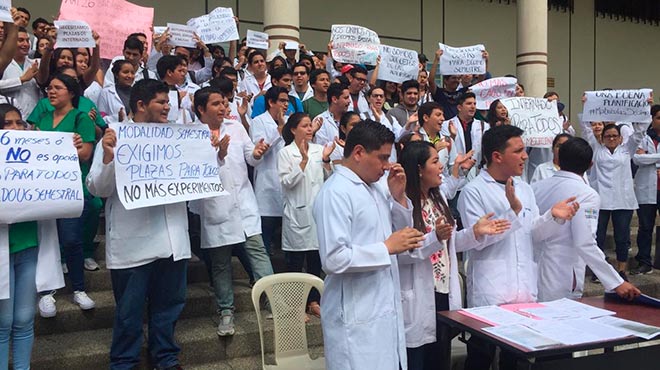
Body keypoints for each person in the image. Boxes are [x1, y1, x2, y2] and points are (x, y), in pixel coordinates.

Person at [87, 79, 190, 369]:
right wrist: (108, 158)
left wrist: (212, 157)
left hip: (172, 241)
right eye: (161, 102)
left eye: (169, 102)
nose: (168, 107)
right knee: (129, 313)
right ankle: (124, 362)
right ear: (141, 105)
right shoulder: (115, 136)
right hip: (134, 243)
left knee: (169, 308)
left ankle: (166, 359)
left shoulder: (178, 137)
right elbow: (97, 188)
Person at [457, 125, 579, 370]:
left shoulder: (524, 188)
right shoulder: (473, 191)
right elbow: (478, 240)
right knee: (481, 358)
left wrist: (552, 217)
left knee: (515, 360)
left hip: (523, 287)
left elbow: (532, 233)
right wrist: (512, 211)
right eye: (519, 151)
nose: (525, 156)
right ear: (497, 156)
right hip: (491, 290)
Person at [313, 120, 426, 370]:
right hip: (355, 316)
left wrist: (398, 198)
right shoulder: (336, 193)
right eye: (382, 158)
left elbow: (398, 235)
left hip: (383, 304)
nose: (387, 166)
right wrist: (385, 249)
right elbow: (333, 259)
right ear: (358, 152)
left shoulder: (375, 188)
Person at [398, 141, 510, 370]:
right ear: (419, 169)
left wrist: (474, 232)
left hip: (442, 291)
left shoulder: (437, 200)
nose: (441, 167)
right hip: (419, 293)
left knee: (439, 358)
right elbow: (405, 252)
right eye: (435, 161)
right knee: (418, 359)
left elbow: (449, 244)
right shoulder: (403, 205)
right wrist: (435, 238)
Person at [191, 87, 273, 337]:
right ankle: (226, 311)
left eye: (224, 102)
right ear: (201, 109)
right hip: (215, 207)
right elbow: (192, 173)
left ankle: (273, 301)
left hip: (244, 203)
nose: (222, 107)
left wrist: (257, 153)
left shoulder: (236, 128)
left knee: (259, 253)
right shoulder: (192, 135)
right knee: (220, 264)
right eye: (216, 103)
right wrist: (218, 155)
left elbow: (249, 156)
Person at [532, 137, 641, 302]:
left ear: (558, 159)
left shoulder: (535, 188)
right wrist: (616, 282)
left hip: (532, 271)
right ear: (591, 164)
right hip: (562, 274)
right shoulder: (587, 195)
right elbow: (585, 242)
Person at [0, 103, 65, 370]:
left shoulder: (35, 156)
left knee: (25, 318)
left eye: (19, 123)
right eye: (8, 124)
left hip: (30, 247)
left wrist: (65, 149)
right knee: (3, 323)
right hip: (4, 251)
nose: (15, 129)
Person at [32, 73, 96, 316]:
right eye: (49, 88)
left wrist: (64, 147)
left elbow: (86, 154)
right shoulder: (43, 116)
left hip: (71, 190)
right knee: (47, 242)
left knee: (71, 240)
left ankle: (78, 289)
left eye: (57, 88)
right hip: (44, 190)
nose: (51, 91)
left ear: (71, 93)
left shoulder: (81, 118)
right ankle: (47, 293)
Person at [278, 112, 334, 318]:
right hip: (297, 213)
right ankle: (295, 305)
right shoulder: (285, 153)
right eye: (304, 126)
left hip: (317, 214)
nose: (310, 129)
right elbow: (286, 182)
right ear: (293, 130)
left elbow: (329, 178)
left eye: (311, 125)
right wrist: (302, 161)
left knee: (315, 261)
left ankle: (313, 301)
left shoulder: (320, 150)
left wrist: (327, 160)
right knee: (295, 263)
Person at [581, 117, 647, 278]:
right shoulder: (596, 149)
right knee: (599, 236)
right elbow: (586, 128)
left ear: (620, 138)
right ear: (602, 138)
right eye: (608, 136)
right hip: (601, 199)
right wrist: (587, 105)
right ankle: (600, 270)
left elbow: (639, 132)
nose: (611, 139)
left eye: (614, 136)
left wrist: (645, 110)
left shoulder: (627, 149)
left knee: (622, 237)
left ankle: (621, 270)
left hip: (622, 200)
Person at [251, 87, 289, 256]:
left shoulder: (289, 121)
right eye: (282, 100)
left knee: (288, 234)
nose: (286, 104)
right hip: (267, 182)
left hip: (287, 181)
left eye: (287, 101)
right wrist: (279, 131)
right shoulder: (258, 121)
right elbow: (260, 150)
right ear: (271, 102)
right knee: (266, 229)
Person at [631, 104, 660, 274]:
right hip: (646, 189)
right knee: (645, 227)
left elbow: (644, 158)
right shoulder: (642, 137)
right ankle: (644, 261)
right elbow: (637, 159)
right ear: (652, 119)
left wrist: (648, 156)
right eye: (658, 117)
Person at [0, 26, 40, 118]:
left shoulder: (35, 63)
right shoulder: (3, 64)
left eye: (27, 40)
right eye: (21, 40)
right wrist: (21, 80)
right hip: (8, 119)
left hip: (33, 118)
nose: (26, 44)